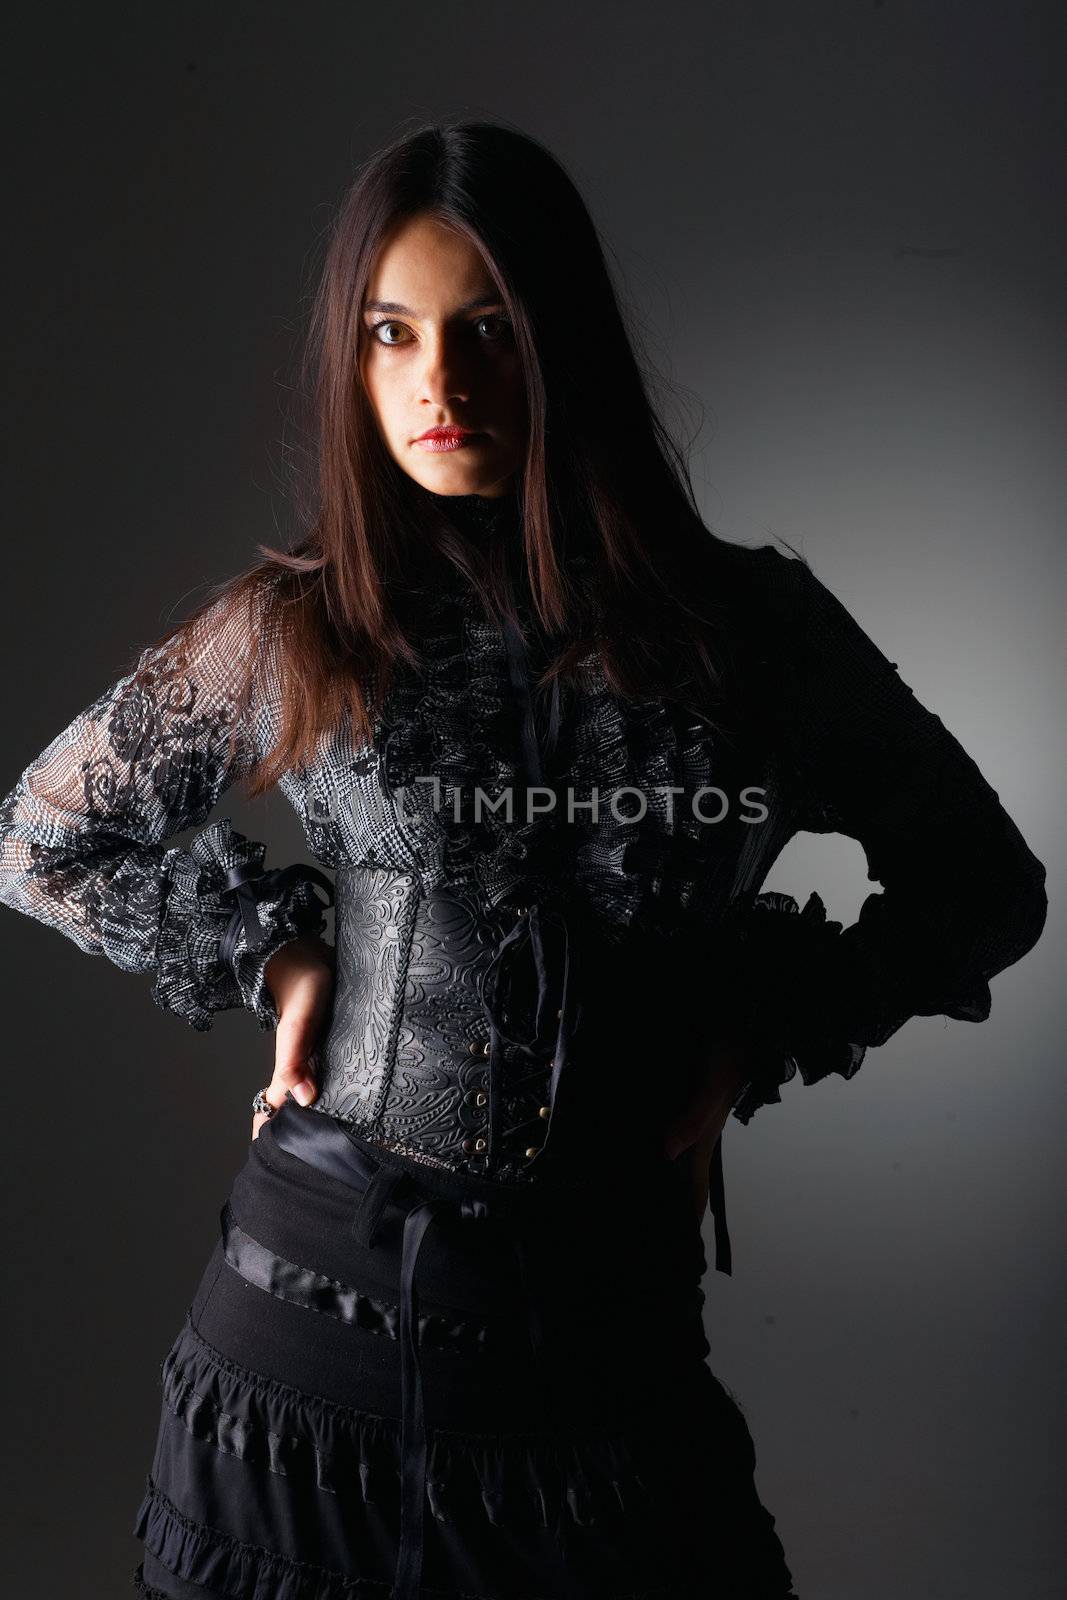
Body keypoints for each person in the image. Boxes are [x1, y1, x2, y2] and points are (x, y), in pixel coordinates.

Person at [0, 119, 1047, 1600]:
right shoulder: (298, 625)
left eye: (489, 328)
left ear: (563, 345)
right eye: (394, 333)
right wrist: (274, 951)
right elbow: (44, 836)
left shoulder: (752, 631)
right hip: (307, 1355)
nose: (442, 382)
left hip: (603, 1365)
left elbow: (986, 889)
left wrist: (757, 1023)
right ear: (355, 363)